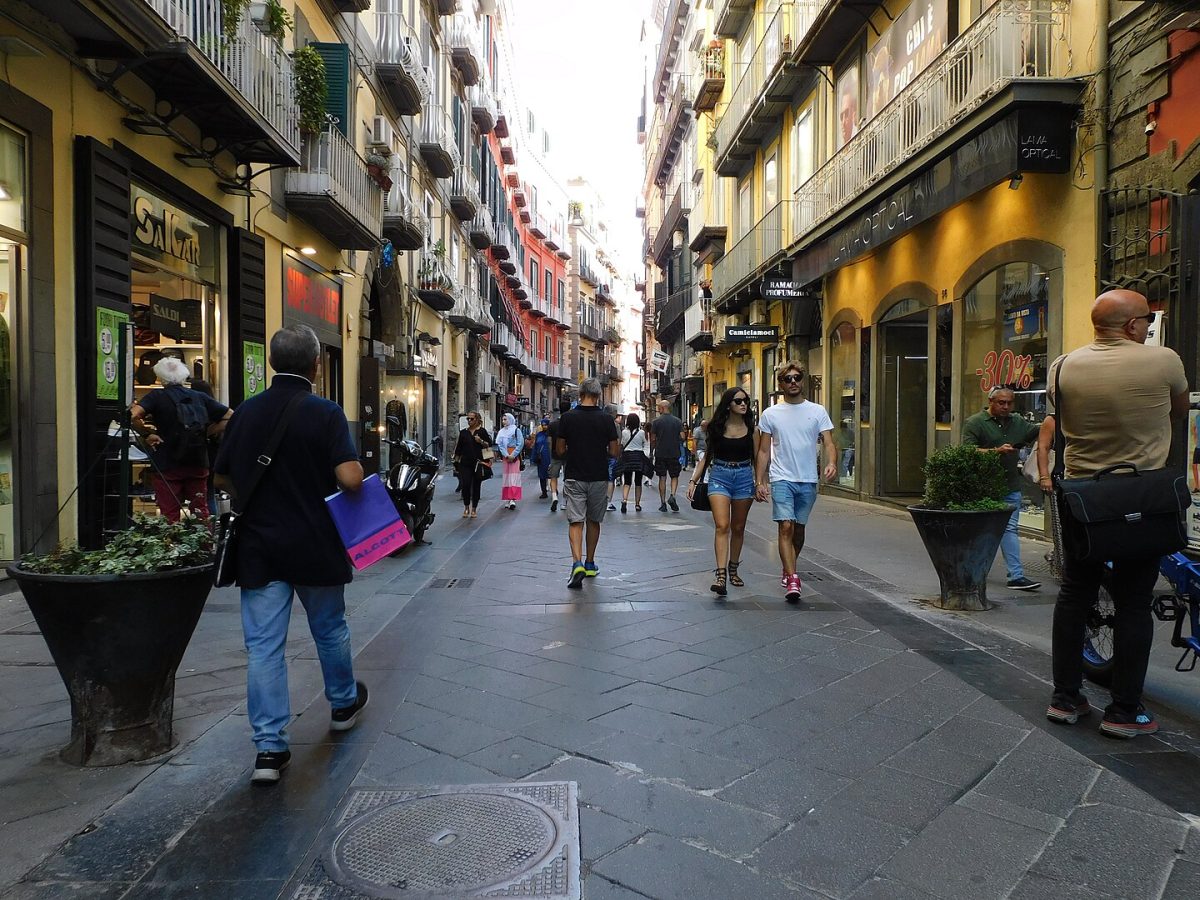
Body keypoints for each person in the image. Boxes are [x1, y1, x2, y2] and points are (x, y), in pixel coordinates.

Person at [212, 325, 368, 785]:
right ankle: (342, 704)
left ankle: (269, 749)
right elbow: (351, 479)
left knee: (263, 648)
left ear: (274, 363)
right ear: (316, 365)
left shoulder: (245, 414)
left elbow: (222, 480)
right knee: (329, 628)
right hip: (315, 544)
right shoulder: (326, 413)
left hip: (260, 548)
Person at [1043, 289, 1188, 738]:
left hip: (1084, 497)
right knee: (1133, 601)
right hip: (1141, 498)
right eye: (1146, 319)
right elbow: (1179, 412)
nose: (1148, 325)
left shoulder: (1062, 366)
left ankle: (1065, 699)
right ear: (1131, 326)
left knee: (1074, 594)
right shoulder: (1164, 360)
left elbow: (1059, 421)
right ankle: (1125, 711)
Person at [755, 362, 837, 604]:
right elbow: (763, 451)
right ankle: (792, 577)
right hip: (781, 478)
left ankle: (788, 566)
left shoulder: (817, 411)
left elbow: (829, 442)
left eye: (797, 378)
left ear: (803, 381)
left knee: (799, 530)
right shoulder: (771, 414)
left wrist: (831, 462)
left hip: (808, 479)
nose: (792, 382)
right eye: (787, 379)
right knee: (786, 527)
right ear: (780, 384)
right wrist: (759, 480)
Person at [962, 386, 1043, 592]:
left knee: (1010, 529)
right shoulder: (975, 423)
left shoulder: (1017, 422)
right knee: (982, 531)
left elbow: (1036, 430)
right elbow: (967, 452)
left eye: (1009, 403)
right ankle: (972, 571)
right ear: (991, 402)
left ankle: (1016, 576)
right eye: (1001, 402)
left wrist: (1051, 420)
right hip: (983, 486)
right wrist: (994, 452)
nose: (1006, 406)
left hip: (1010, 485)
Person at [130, 357, 231, 521]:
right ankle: (203, 545)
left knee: (169, 515)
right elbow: (230, 416)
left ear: (160, 377)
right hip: (197, 460)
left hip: (167, 462)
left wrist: (147, 434)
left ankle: (172, 545)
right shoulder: (199, 396)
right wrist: (207, 432)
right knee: (200, 511)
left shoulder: (157, 396)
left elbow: (133, 415)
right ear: (184, 375)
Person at [688, 389, 759, 598]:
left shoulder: (752, 430)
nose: (744, 404)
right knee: (722, 525)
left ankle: (733, 568)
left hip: (744, 477)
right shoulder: (716, 428)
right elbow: (706, 457)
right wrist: (693, 480)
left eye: (746, 401)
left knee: (738, 527)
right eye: (739, 401)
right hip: (719, 476)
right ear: (729, 404)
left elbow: (758, 457)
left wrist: (761, 482)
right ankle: (721, 576)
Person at [555, 378, 620, 589]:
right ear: (598, 395)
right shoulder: (607, 420)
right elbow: (614, 452)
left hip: (575, 474)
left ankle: (577, 563)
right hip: (599, 475)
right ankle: (590, 562)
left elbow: (559, 450)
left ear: (580, 394)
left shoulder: (567, 418)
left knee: (575, 521)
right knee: (594, 520)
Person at [453, 411, 492, 518]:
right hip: (465, 463)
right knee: (465, 485)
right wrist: (455, 462)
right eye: (468, 419)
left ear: (477, 420)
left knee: (476, 486)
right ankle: (466, 507)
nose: (469, 421)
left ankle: (474, 508)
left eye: (471, 419)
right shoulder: (463, 433)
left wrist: (481, 441)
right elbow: (458, 448)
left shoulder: (482, 431)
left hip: (478, 463)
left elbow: (489, 445)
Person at [650, 400, 686, 512]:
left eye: (658, 407)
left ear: (661, 408)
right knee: (674, 476)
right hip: (674, 453)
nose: (658, 409)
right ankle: (673, 495)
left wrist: (652, 451)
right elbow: (683, 436)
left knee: (662, 477)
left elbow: (653, 439)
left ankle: (663, 503)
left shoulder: (656, 422)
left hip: (661, 453)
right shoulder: (678, 421)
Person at [616, 412, 650, 513]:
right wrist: (645, 455)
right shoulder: (641, 433)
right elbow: (646, 444)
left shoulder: (624, 432)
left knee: (627, 481)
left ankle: (624, 500)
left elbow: (622, 444)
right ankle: (637, 504)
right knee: (638, 482)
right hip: (638, 457)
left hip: (627, 457)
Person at [495, 413, 524, 510]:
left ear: (510, 420)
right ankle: (507, 498)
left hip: (514, 456)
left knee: (514, 477)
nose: (503, 421)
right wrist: (506, 455)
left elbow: (520, 443)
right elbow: (500, 445)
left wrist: (513, 455)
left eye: (505, 419)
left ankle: (513, 498)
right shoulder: (501, 432)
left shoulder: (516, 430)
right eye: (503, 419)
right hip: (506, 456)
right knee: (507, 477)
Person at [546, 399, 570, 512]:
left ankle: (554, 496)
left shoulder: (552, 425)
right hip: (568, 454)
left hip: (555, 455)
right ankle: (565, 501)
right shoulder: (572, 424)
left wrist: (551, 453)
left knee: (553, 476)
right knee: (567, 477)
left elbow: (549, 441)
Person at [533, 417, 553, 498]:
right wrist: (534, 457)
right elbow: (535, 446)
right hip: (541, 458)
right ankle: (544, 492)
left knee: (552, 475)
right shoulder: (539, 435)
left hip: (550, 457)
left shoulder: (552, 434)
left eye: (546, 425)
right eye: (543, 425)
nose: (544, 426)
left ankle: (554, 489)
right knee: (542, 476)